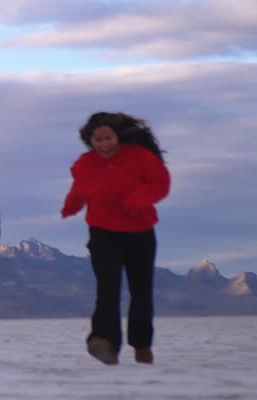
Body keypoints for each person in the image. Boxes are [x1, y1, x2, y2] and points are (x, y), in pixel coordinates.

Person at [60, 111, 170, 366]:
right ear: (91, 142)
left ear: (117, 137)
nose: (104, 144)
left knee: (140, 291)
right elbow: (79, 190)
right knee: (107, 290)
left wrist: (137, 200)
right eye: (97, 140)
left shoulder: (140, 157)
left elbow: (160, 183)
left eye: (108, 138)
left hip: (139, 232)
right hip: (103, 233)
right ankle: (105, 342)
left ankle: (142, 346)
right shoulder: (85, 164)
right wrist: (70, 207)